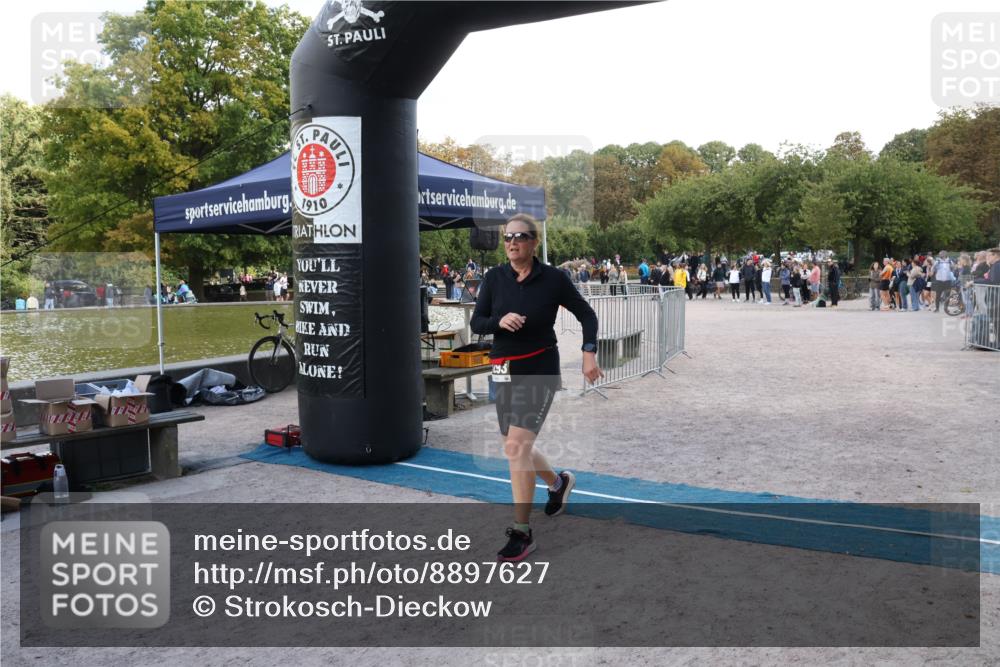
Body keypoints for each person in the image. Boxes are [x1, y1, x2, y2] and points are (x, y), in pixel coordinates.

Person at [471, 213, 602, 562]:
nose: (513, 242)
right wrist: (498, 320)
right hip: (501, 367)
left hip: (539, 367)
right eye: (508, 237)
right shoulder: (494, 278)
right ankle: (558, 483)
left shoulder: (554, 279)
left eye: (520, 236)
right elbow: (477, 321)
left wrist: (588, 354)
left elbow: (587, 315)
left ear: (534, 242)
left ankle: (521, 531)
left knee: (515, 446)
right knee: (515, 447)